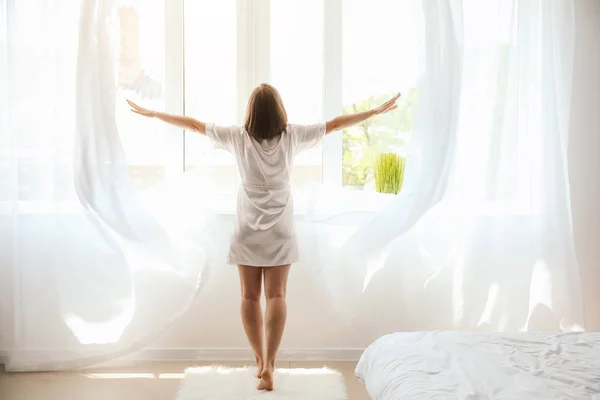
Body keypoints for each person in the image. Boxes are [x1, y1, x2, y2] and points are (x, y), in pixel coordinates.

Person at [127, 84, 400, 391]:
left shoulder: (238, 137)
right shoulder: (293, 136)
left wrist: (154, 114)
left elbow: (192, 124)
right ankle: (271, 361)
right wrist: (373, 112)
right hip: (280, 228)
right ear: (279, 110)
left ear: (251, 112)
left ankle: (260, 361)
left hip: (247, 229)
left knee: (248, 297)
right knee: (277, 296)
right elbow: (335, 124)